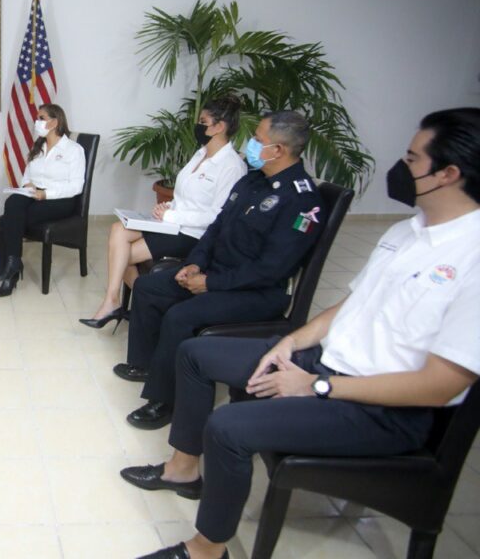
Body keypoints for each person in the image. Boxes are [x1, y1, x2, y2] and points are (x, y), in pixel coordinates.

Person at [126, 107, 480, 559]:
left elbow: (440, 386)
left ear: (448, 174)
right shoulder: (406, 232)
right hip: (325, 363)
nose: (401, 167)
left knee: (227, 426)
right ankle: (183, 469)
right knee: (195, 354)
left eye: (412, 159)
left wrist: (316, 386)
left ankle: (206, 550)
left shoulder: (471, 256)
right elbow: (350, 305)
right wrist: (291, 343)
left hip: (379, 409)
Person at [117, 111, 326, 430]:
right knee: (148, 287)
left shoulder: (302, 200)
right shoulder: (253, 179)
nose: (250, 144)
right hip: (217, 271)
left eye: (257, 139)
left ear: (278, 150)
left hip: (256, 292)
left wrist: (210, 282)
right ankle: (148, 367)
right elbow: (216, 228)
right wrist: (194, 263)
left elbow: (271, 269)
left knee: (180, 316)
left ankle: (165, 400)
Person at [81, 96, 246, 329]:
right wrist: (168, 207)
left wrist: (172, 216)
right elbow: (184, 196)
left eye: (203, 121)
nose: (198, 126)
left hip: (194, 234)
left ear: (219, 127)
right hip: (173, 224)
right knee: (118, 229)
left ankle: (127, 302)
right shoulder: (200, 154)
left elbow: (217, 217)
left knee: (120, 255)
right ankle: (120, 301)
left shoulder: (231, 166)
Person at [0, 103, 86, 297]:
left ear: (55, 122)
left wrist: (46, 194)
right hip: (35, 194)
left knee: (12, 217)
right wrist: (28, 185)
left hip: (60, 200)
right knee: (12, 203)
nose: (37, 122)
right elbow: (27, 176)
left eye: (41, 118)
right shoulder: (38, 147)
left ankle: (11, 270)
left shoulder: (73, 150)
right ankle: (14, 263)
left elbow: (76, 187)